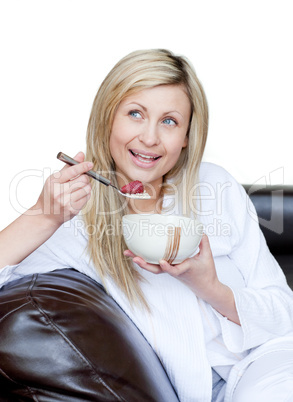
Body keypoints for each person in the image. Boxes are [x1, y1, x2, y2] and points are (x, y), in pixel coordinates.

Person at [1, 49, 293, 401]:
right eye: (135, 114)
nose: (150, 138)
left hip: (270, 361)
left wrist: (210, 287)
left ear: (186, 136)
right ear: (109, 118)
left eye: (169, 121)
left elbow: (283, 313)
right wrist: (43, 215)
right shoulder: (80, 219)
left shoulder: (215, 185)